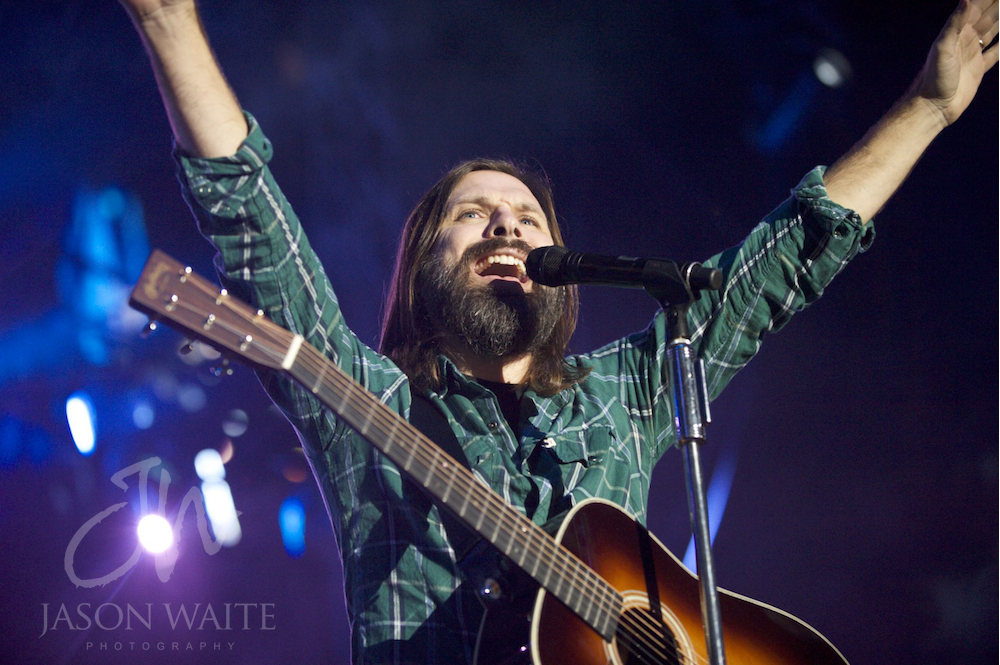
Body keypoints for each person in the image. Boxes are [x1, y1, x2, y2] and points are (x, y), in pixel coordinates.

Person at [118, 0, 997, 662]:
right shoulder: (369, 406)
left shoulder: (626, 392)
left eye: (528, 217)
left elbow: (779, 266)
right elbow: (257, 228)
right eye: (473, 214)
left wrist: (928, 103)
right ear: (423, 261)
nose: (506, 226)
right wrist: (169, 20)